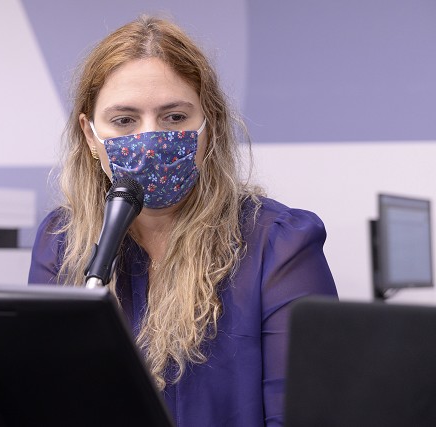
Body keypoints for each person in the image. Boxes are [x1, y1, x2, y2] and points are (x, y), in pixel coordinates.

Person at [28, 15, 337, 427]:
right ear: (90, 135)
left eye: (174, 117)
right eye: (124, 120)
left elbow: (306, 415)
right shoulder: (61, 242)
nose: (150, 140)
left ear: (210, 124)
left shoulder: (279, 245)